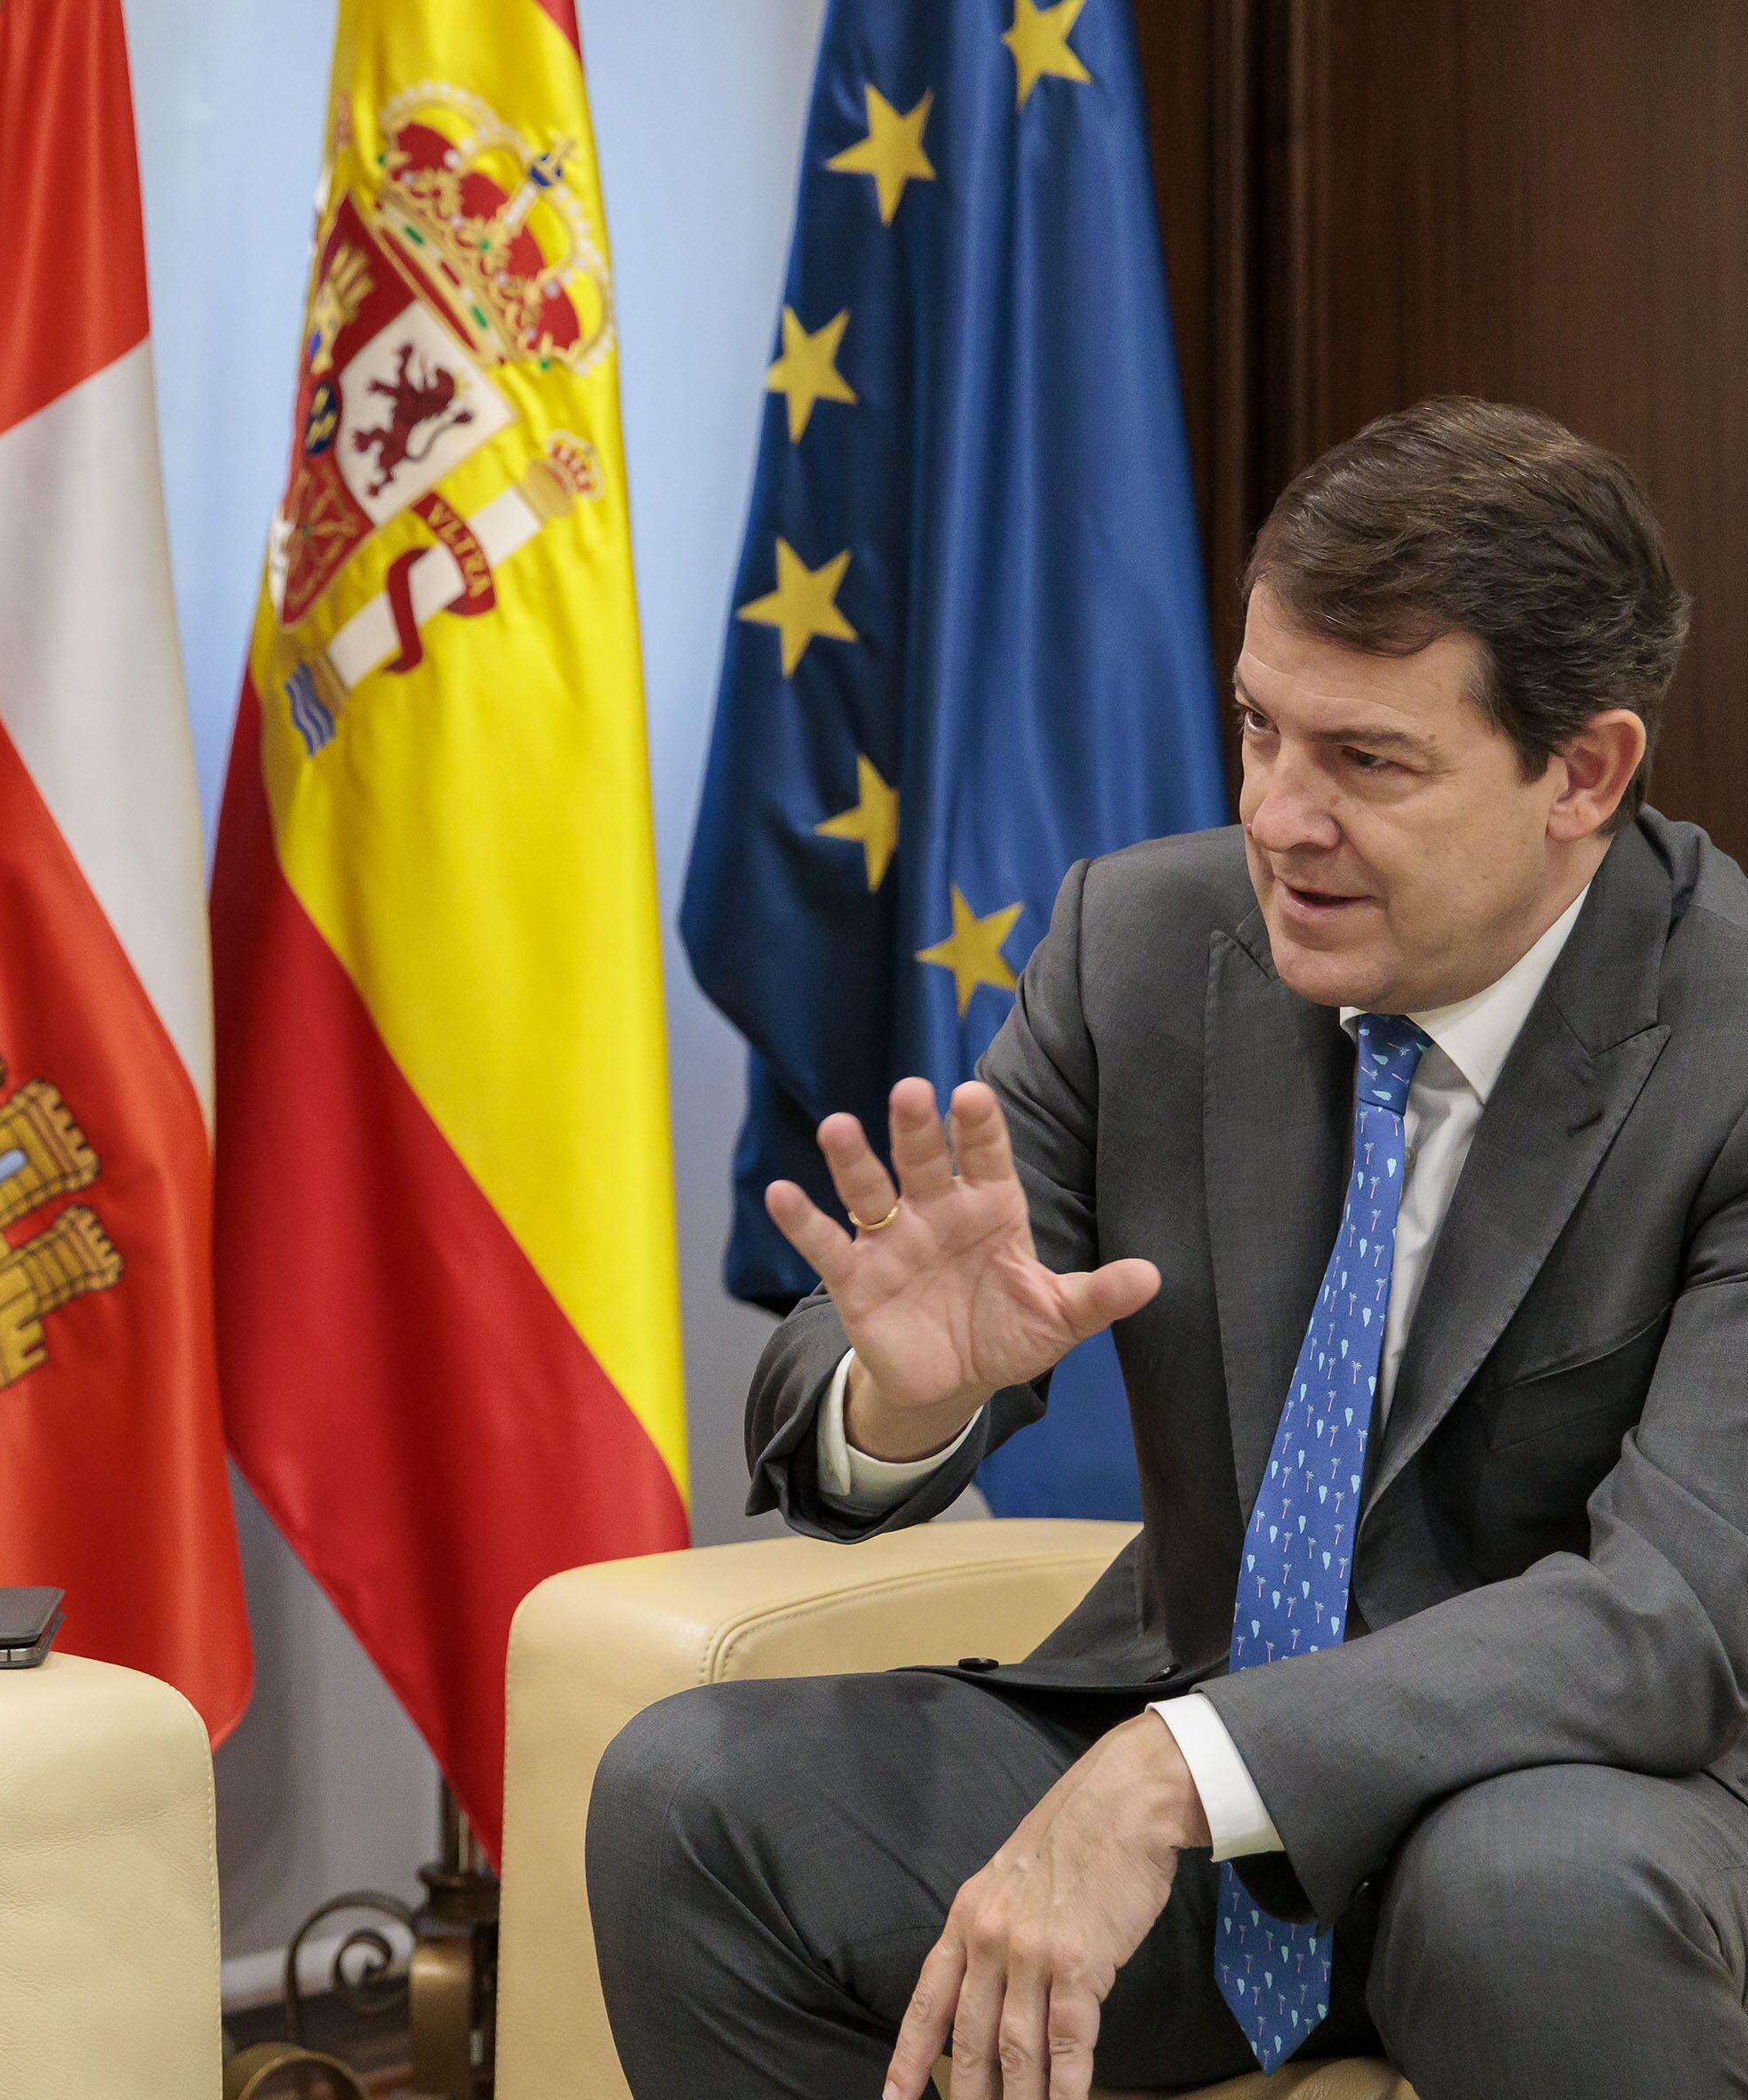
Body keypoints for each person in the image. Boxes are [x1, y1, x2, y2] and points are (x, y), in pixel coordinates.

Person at [588, 397, 1748, 2100]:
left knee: (1530, 1895)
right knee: (694, 1801)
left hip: (1581, 1793)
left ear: (1584, 773)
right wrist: (902, 1401)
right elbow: (903, 1347)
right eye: (1260, 729)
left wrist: (1173, 1772)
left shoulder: (1728, 1043)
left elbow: (1670, 1620)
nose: (1279, 816)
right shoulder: (1144, 943)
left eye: (1365, 759)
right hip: (1199, 1756)